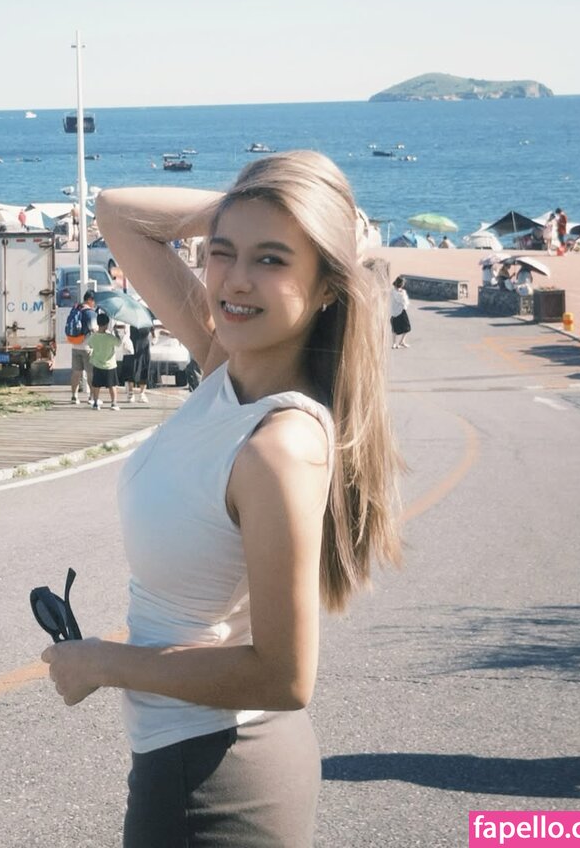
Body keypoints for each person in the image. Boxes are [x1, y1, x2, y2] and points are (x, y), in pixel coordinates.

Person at [40, 150, 402, 847]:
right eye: (222, 251)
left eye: (272, 259)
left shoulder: (278, 445)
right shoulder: (224, 372)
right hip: (186, 758)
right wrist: (257, 208)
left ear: (327, 285)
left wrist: (100, 663)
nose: (235, 279)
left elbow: (285, 677)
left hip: (217, 780)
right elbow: (116, 212)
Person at [67, 290, 98, 404]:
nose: (94, 303)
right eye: (94, 301)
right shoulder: (90, 313)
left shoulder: (76, 309)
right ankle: (92, 397)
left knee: (76, 372)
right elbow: (93, 329)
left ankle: (74, 396)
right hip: (87, 347)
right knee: (90, 373)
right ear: (89, 300)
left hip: (75, 345)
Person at [87, 310, 121, 410]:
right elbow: (119, 343)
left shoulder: (93, 336)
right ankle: (114, 403)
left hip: (97, 363)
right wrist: (116, 332)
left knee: (96, 385)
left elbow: (90, 345)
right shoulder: (110, 337)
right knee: (112, 385)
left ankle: (96, 403)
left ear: (97, 323)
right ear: (107, 324)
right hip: (110, 365)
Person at [128, 323, 152, 401]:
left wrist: (155, 339)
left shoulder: (147, 322)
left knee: (144, 369)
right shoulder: (131, 322)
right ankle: (130, 393)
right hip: (133, 347)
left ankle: (142, 393)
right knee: (132, 370)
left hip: (144, 348)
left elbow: (154, 333)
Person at [390, 275, 412, 348]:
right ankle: (396, 343)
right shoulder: (395, 292)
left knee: (405, 327)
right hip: (398, 311)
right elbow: (403, 300)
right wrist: (403, 295)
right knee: (396, 328)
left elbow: (405, 301)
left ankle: (400, 342)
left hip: (400, 311)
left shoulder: (398, 291)